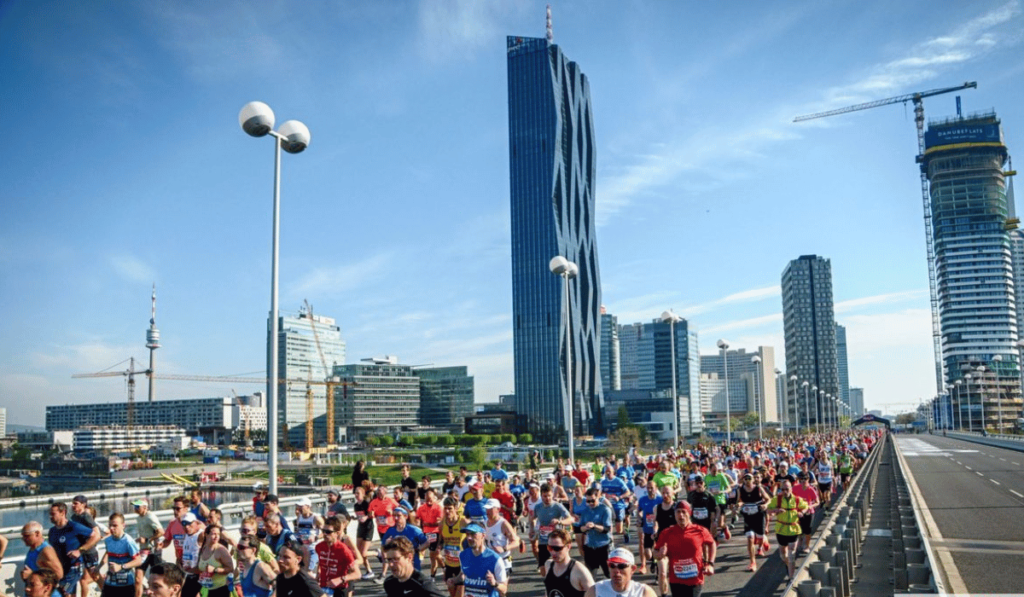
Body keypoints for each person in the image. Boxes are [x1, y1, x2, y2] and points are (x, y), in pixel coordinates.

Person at [654, 501, 716, 597]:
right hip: (676, 580)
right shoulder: (666, 533)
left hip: (695, 580)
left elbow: (712, 544)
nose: (681, 515)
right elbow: (655, 552)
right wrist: (659, 555)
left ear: (689, 513)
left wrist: (710, 564)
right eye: (678, 512)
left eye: (684, 512)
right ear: (674, 514)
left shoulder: (700, 530)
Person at [48, 501, 100, 597]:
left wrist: (80, 550)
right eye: (50, 514)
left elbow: (96, 536)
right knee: (70, 593)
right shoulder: (52, 531)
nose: (50, 516)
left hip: (74, 567)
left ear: (62, 513)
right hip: (61, 568)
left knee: (64, 590)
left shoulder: (73, 527)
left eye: (53, 514)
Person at [447, 523, 508, 597]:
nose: (469, 538)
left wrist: (494, 583)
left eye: (473, 534)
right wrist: (454, 580)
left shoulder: (495, 559)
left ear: (483, 535)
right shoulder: (463, 555)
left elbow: (504, 589)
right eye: (467, 534)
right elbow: (463, 574)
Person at [767, 479, 809, 578]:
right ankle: (788, 565)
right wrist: (776, 510)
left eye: (787, 489)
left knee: (791, 555)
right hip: (781, 530)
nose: (785, 491)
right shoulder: (777, 499)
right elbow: (769, 510)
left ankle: (791, 578)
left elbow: (806, 506)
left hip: (793, 530)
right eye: (783, 489)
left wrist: (802, 512)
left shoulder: (797, 499)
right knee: (783, 555)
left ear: (791, 488)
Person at [383, 537, 447, 597]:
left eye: (396, 559)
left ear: (409, 557)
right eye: (389, 560)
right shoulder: (389, 583)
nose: (391, 564)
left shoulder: (423, 586)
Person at [314, 517, 360, 596]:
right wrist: (318, 574)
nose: (325, 534)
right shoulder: (319, 547)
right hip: (324, 586)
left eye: (328, 532)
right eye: (323, 531)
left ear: (337, 533)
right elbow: (321, 562)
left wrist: (340, 579)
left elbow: (357, 574)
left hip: (340, 588)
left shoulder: (344, 550)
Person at [584, 548, 657, 597]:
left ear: (633, 569)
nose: (616, 571)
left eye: (622, 566)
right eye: (612, 565)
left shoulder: (643, 592)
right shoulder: (596, 590)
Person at [100, 512, 143, 597]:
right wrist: (98, 567)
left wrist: (121, 567)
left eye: (115, 525)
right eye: (110, 525)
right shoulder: (108, 540)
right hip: (110, 582)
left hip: (126, 584)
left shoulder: (128, 541)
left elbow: (138, 561)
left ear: (123, 525)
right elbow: (108, 553)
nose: (111, 528)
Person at [542, 529, 595, 597]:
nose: (553, 552)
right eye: (550, 548)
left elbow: (595, 594)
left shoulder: (579, 570)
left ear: (568, 547)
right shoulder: (548, 564)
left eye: (557, 548)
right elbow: (548, 591)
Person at [575, 487, 613, 578]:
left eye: (592, 500)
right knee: (590, 577)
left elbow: (607, 529)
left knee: (609, 574)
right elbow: (579, 529)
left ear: (598, 497)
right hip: (590, 547)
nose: (590, 503)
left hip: (604, 547)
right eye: (588, 501)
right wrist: (585, 528)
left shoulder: (605, 510)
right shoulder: (585, 511)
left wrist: (594, 526)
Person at [380, 507, 429, 577]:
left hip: (413, 565)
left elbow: (426, 543)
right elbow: (383, 546)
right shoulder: (390, 531)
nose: (396, 518)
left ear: (405, 516)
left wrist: (418, 549)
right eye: (394, 515)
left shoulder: (414, 530)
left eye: (398, 516)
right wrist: (387, 545)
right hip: (398, 566)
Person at [738, 472, 772, 571]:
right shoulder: (741, 489)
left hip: (758, 514)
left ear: (753, 479)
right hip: (748, 516)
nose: (747, 480)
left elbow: (768, 499)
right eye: (745, 478)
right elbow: (739, 500)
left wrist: (766, 505)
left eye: (749, 478)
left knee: (760, 537)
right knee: (750, 538)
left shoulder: (758, 488)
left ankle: (764, 539)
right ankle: (752, 562)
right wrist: (738, 505)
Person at [70, 495, 103, 596]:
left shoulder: (86, 516)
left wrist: (86, 545)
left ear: (83, 504)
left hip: (89, 552)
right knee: (83, 579)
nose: (73, 505)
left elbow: (97, 533)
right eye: (72, 503)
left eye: (76, 503)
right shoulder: (74, 517)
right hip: (79, 553)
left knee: (96, 577)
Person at [21, 521, 63, 597]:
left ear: (37, 534)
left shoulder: (46, 551)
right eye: (23, 536)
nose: (23, 539)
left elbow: (59, 575)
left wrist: (31, 575)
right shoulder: (33, 548)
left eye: (26, 536)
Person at [131, 498, 164, 597]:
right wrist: (139, 540)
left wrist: (147, 540)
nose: (135, 509)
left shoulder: (150, 516)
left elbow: (161, 531)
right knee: (138, 578)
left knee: (157, 579)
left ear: (145, 507)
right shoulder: (139, 518)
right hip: (143, 551)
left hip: (153, 551)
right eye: (135, 507)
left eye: (138, 507)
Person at [195, 524, 234, 597]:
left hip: (221, 590)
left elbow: (230, 569)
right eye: (214, 534)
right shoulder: (204, 548)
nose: (216, 537)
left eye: (218, 534)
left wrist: (215, 570)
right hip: (206, 589)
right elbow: (201, 570)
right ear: (206, 535)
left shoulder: (222, 550)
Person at [483, 499, 520, 575]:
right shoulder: (484, 523)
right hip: (489, 560)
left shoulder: (503, 524)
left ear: (498, 509)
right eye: (486, 509)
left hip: (504, 560)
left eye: (490, 509)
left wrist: (503, 548)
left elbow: (516, 542)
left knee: (501, 586)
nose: (487, 511)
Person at [416, 488, 445, 578]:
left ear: (434, 498)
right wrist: (418, 524)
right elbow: (417, 519)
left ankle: (436, 573)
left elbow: (439, 522)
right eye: (427, 499)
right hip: (426, 534)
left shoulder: (438, 508)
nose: (429, 501)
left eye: (430, 499)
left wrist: (429, 524)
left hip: (437, 533)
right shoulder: (421, 508)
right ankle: (442, 569)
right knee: (434, 555)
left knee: (434, 554)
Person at [636, 479, 661, 576]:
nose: (650, 490)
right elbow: (639, 511)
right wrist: (639, 519)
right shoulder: (642, 499)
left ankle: (658, 574)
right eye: (648, 488)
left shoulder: (660, 499)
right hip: (647, 528)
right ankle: (653, 561)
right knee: (648, 553)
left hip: (658, 529)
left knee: (659, 551)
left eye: (652, 488)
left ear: (656, 489)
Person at [792, 472, 820, 555]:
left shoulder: (811, 489)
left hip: (809, 512)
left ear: (808, 480)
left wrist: (811, 506)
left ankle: (807, 546)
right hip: (798, 512)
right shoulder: (795, 488)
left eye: (805, 479)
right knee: (799, 529)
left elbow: (817, 502)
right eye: (801, 479)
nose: (803, 481)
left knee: (807, 530)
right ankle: (800, 541)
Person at [178, 512, 206, 597]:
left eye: (190, 524)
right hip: (189, 574)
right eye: (184, 524)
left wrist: (202, 524)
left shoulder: (201, 534)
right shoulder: (187, 535)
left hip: (199, 575)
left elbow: (212, 531)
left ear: (196, 523)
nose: (187, 527)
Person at [351, 485, 376, 579]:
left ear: (363, 494)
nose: (356, 495)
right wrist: (354, 518)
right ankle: (369, 571)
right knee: (358, 552)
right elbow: (359, 517)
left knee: (363, 553)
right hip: (360, 528)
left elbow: (372, 514)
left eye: (358, 493)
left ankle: (376, 553)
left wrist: (366, 517)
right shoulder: (356, 505)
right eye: (355, 493)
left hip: (368, 528)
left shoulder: (366, 503)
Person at [295, 497, 325, 571]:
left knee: (309, 571)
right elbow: (298, 531)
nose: (299, 509)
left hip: (313, 549)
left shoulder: (316, 518)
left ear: (308, 507)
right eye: (299, 506)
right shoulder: (299, 517)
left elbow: (326, 532)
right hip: (302, 549)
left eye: (301, 506)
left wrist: (316, 537)